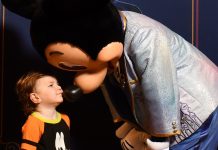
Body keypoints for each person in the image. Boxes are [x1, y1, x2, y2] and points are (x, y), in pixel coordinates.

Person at [3, 0, 218, 149]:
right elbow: (108, 81)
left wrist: (157, 139)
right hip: (153, 119)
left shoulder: (146, 39)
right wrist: (124, 121)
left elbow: (160, 92)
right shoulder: (106, 46)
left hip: (198, 107)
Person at [16, 71, 73, 150]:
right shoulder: (34, 122)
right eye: (51, 85)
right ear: (36, 97)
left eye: (58, 84)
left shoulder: (65, 119)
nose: (59, 87)